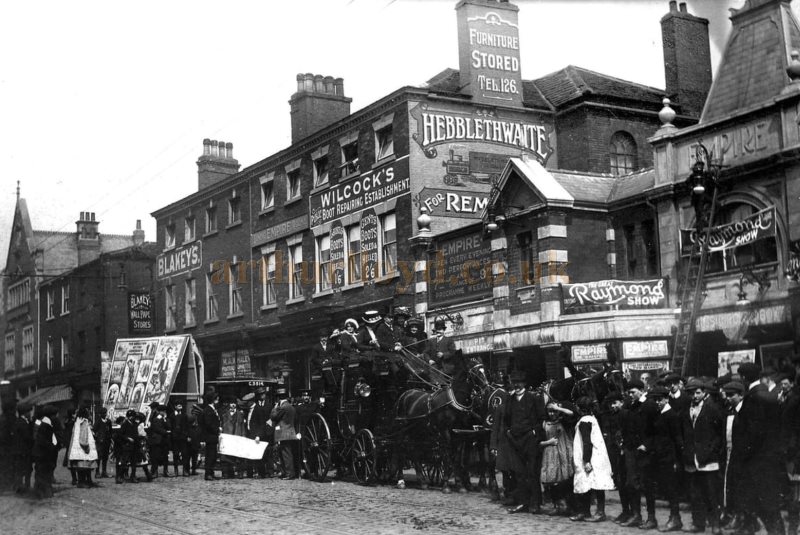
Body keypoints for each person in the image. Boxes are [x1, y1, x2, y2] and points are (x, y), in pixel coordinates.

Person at [737, 362, 786, 535]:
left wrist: (743, 454)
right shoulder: (768, 394)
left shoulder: (754, 396)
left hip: (755, 461)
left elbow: (753, 432)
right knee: (765, 503)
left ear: (743, 378)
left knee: (765, 505)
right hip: (769, 458)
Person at [681, 378, 724, 535]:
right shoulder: (687, 409)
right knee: (695, 494)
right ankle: (698, 523)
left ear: (704, 392)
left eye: (697, 393)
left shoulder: (712, 408)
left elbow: (719, 434)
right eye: (691, 393)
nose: (694, 396)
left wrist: (712, 450)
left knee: (711, 494)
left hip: (708, 460)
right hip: (692, 458)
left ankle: (715, 524)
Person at [503, 369, 546, 514]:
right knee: (519, 473)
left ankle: (535, 503)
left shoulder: (533, 398)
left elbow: (542, 418)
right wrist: (508, 432)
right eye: (514, 382)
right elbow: (506, 418)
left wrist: (535, 433)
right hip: (515, 440)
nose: (516, 385)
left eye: (519, 382)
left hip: (530, 439)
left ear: (524, 383)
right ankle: (523, 502)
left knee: (532, 472)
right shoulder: (510, 399)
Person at [571, 396, 614, 522]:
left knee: (592, 484)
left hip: (591, 457)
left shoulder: (585, 421)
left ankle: (596, 512)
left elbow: (586, 442)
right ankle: (587, 512)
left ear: (580, 408)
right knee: (591, 484)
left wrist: (586, 460)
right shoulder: (592, 419)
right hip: (597, 455)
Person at [649, 385, 683, 531]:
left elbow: (677, 439)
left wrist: (676, 460)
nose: (657, 402)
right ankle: (674, 518)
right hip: (659, 457)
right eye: (655, 400)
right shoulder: (659, 414)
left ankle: (675, 518)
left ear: (666, 399)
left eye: (660, 400)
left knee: (671, 489)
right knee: (665, 488)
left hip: (669, 458)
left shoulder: (671, 415)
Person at [539, 399, 576, 516]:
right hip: (550, 455)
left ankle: (569, 506)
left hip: (565, 453)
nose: (552, 414)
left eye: (554, 411)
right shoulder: (544, 424)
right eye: (549, 411)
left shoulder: (565, 421)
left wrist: (558, 408)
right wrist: (548, 442)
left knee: (566, 480)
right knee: (553, 481)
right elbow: (537, 442)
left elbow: (572, 413)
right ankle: (557, 505)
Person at [32, 405, 60, 499]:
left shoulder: (43, 422)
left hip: (42, 452)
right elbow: (42, 439)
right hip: (42, 452)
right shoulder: (45, 424)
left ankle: (42, 490)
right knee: (42, 472)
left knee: (42, 472)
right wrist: (51, 446)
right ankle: (42, 491)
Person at [270, 388, 298, 480]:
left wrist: (274, 408)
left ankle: (289, 473)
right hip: (289, 432)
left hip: (283, 433)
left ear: (278, 398)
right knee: (286, 453)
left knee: (285, 454)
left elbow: (274, 417)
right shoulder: (291, 406)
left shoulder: (283, 407)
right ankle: (286, 473)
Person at [68, 407, 99, 488]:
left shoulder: (77, 421)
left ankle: (85, 481)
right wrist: (86, 446)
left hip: (77, 448)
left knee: (82, 466)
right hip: (83, 448)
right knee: (84, 466)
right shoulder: (84, 422)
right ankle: (82, 482)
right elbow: (83, 436)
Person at [247, 387, 274, 478]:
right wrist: (256, 434)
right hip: (259, 433)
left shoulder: (269, 405)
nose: (263, 396)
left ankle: (270, 471)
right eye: (261, 394)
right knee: (260, 453)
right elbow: (253, 422)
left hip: (268, 433)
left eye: (264, 394)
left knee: (269, 453)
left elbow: (272, 418)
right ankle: (261, 472)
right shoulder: (256, 407)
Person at [11, 402, 34, 495]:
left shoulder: (19, 421)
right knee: (26, 469)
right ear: (25, 412)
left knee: (21, 470)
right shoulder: (22, 423)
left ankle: (21, 488)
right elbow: (27, 437)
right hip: (23, 451)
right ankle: (24, 488)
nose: (30, 413)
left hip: (19, 450)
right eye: (29, 411)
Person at [220, 398, 247, 478]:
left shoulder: (240, 415)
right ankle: (227, 472)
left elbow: (242, 427)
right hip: (227, 436)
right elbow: (221, 425)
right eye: (231, 403)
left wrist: (243, 436)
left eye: (234, 403)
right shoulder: (224, 414)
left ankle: (240, 472)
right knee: (226, 455)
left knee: (238, 456)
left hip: (237, 436)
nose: (233, 405)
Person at [199, 391, 221, 481]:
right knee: (210, 456)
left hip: (212, 437)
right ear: (213, 400)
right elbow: (209, 424)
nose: (218, 401)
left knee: (213, 455)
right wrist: (217, 429)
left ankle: (211, 473)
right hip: (210, 436)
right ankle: (208, 474)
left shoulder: (212, 409)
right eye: (217, 399)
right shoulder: (208, 410)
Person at [147, 403, 172, 478]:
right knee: (155, 456)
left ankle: (165, 471)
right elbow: (156, 428)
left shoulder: (166, 419)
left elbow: (169, 426)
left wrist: (165, 420)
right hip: (157, 440)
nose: (164, 413)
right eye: (163, 411)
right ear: (160, 411)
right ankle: (154, 471)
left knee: (165, 456)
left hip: (164, 440)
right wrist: (165, 432)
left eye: (165, 411)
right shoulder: (156, 419)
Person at [116, 409, 138, 484]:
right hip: (127, 445)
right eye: (131, 416)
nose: (132, 418)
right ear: (128, 417)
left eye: (133, 416)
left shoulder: (135, 424)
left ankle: (133, 476)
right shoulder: (125, 424)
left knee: (134, 462)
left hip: (134, 445)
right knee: (124, 462)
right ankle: (120, 476)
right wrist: (127, 438)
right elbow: (120, 435)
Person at [171, 399, 191, 477]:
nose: (180, 407)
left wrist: (188, 436)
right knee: (175, 454)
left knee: (184, 454)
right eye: (178, 405)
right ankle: (176, 470)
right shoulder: (172, 415)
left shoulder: (184, 415)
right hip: (175, 438)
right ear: (175, 407)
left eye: (181, 405)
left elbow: (187, 427)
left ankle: (185, 470)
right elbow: (171, 426)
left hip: (183, 437)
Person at [93, 407, 112, 479]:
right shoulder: (98, 421)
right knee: (99, 457)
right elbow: (94, 430)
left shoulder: (108, 422)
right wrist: (97, 438)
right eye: (103, 413)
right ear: (100, 414)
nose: (105, 414)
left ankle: (104, 472)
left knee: (105, 457)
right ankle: (97, 472)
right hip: (100, 442)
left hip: (107, 442)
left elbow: (110, 431)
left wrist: (110, 439)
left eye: (105, 413)